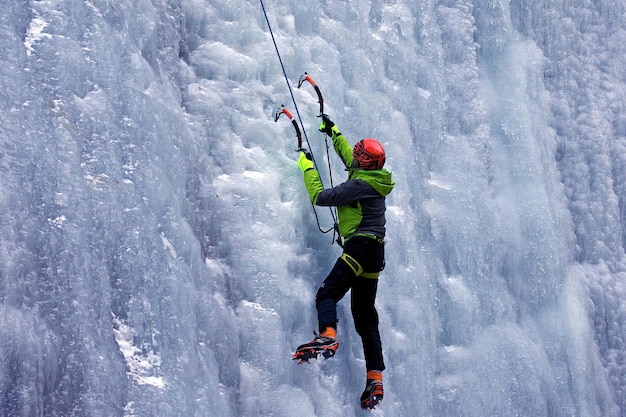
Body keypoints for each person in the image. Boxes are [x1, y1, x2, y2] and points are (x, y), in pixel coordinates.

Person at [293, 114, 395, 409]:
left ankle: (328, 336)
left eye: (362, 156)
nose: (357, 157)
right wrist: (333, 131)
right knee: (365, 316)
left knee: (327, 293)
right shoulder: (375, 178)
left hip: (359, 249)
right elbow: (350, 157)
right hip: (374, 256)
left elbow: (321, 196)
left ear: (368, 163)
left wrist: (307, 166)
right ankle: (375, 377)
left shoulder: (359, 185)